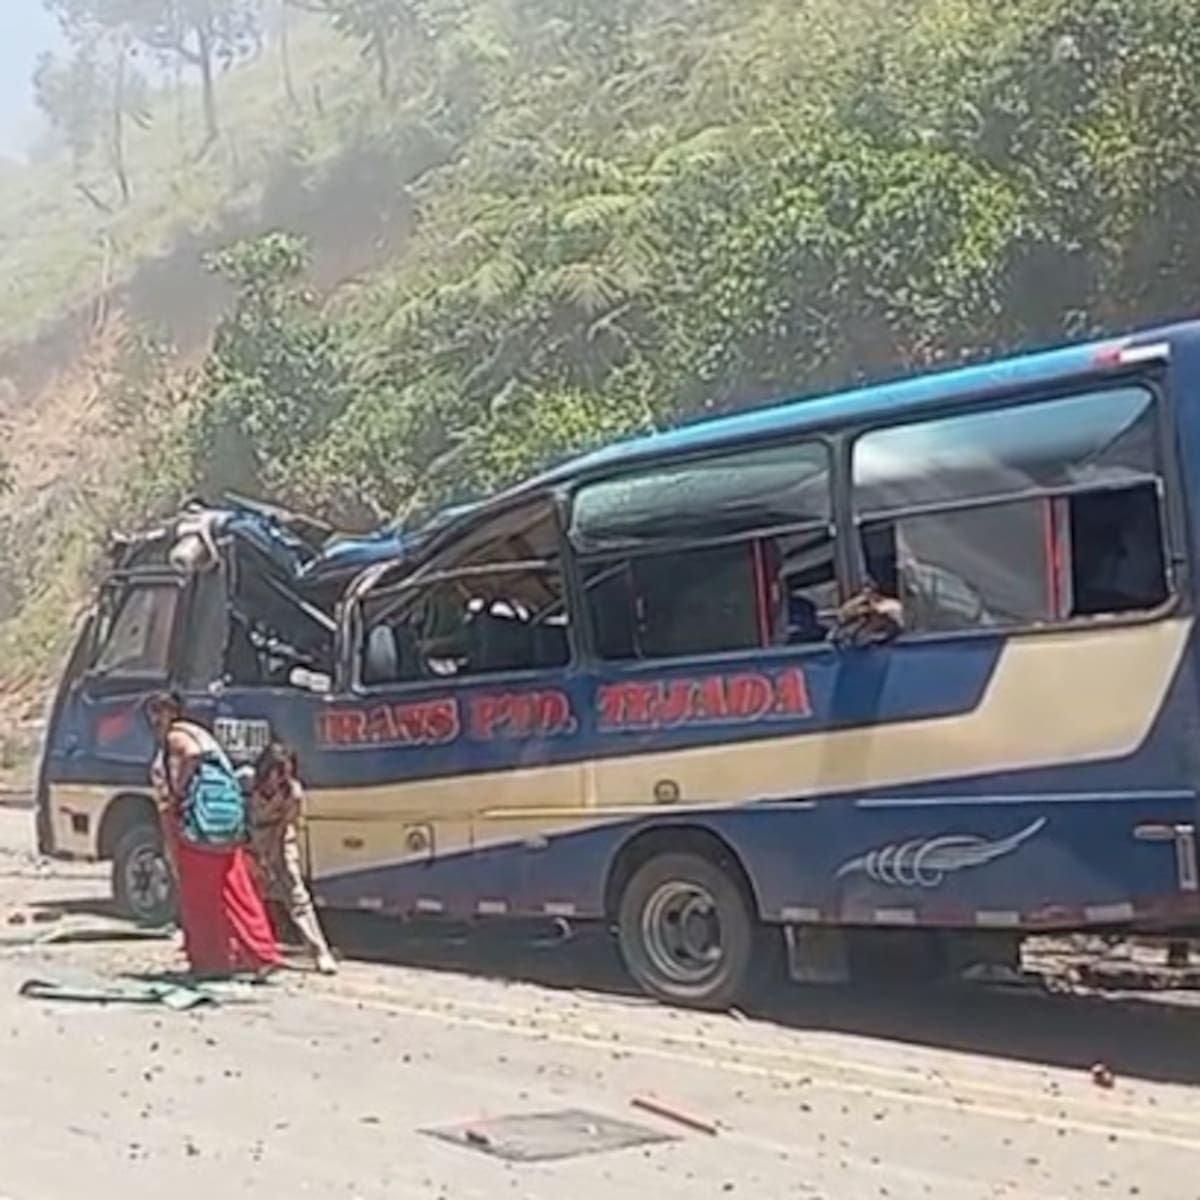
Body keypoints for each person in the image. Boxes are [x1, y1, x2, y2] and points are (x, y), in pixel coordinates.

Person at [145, 693, 282, 980]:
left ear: (171, 712)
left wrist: (179, 795)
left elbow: (190, 757)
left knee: (200, 897)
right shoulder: (202, 734)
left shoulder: (176, 737)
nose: (155, 719)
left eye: (159, 711)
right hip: (223, 825)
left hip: (197, 826)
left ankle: (211, 960)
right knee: (235, 888)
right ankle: (260, 952)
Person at [247, 742, 338, 976]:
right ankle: (250, 949)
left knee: (295, 894)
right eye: (274, 772)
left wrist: (270, 859)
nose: (277, 780)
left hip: (279, 838)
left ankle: (319, 952)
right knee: (248, 894)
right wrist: (253, 855)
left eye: (283, 773)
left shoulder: (293, 793)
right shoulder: (246, 782)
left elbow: (283, 828)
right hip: (250, 836)